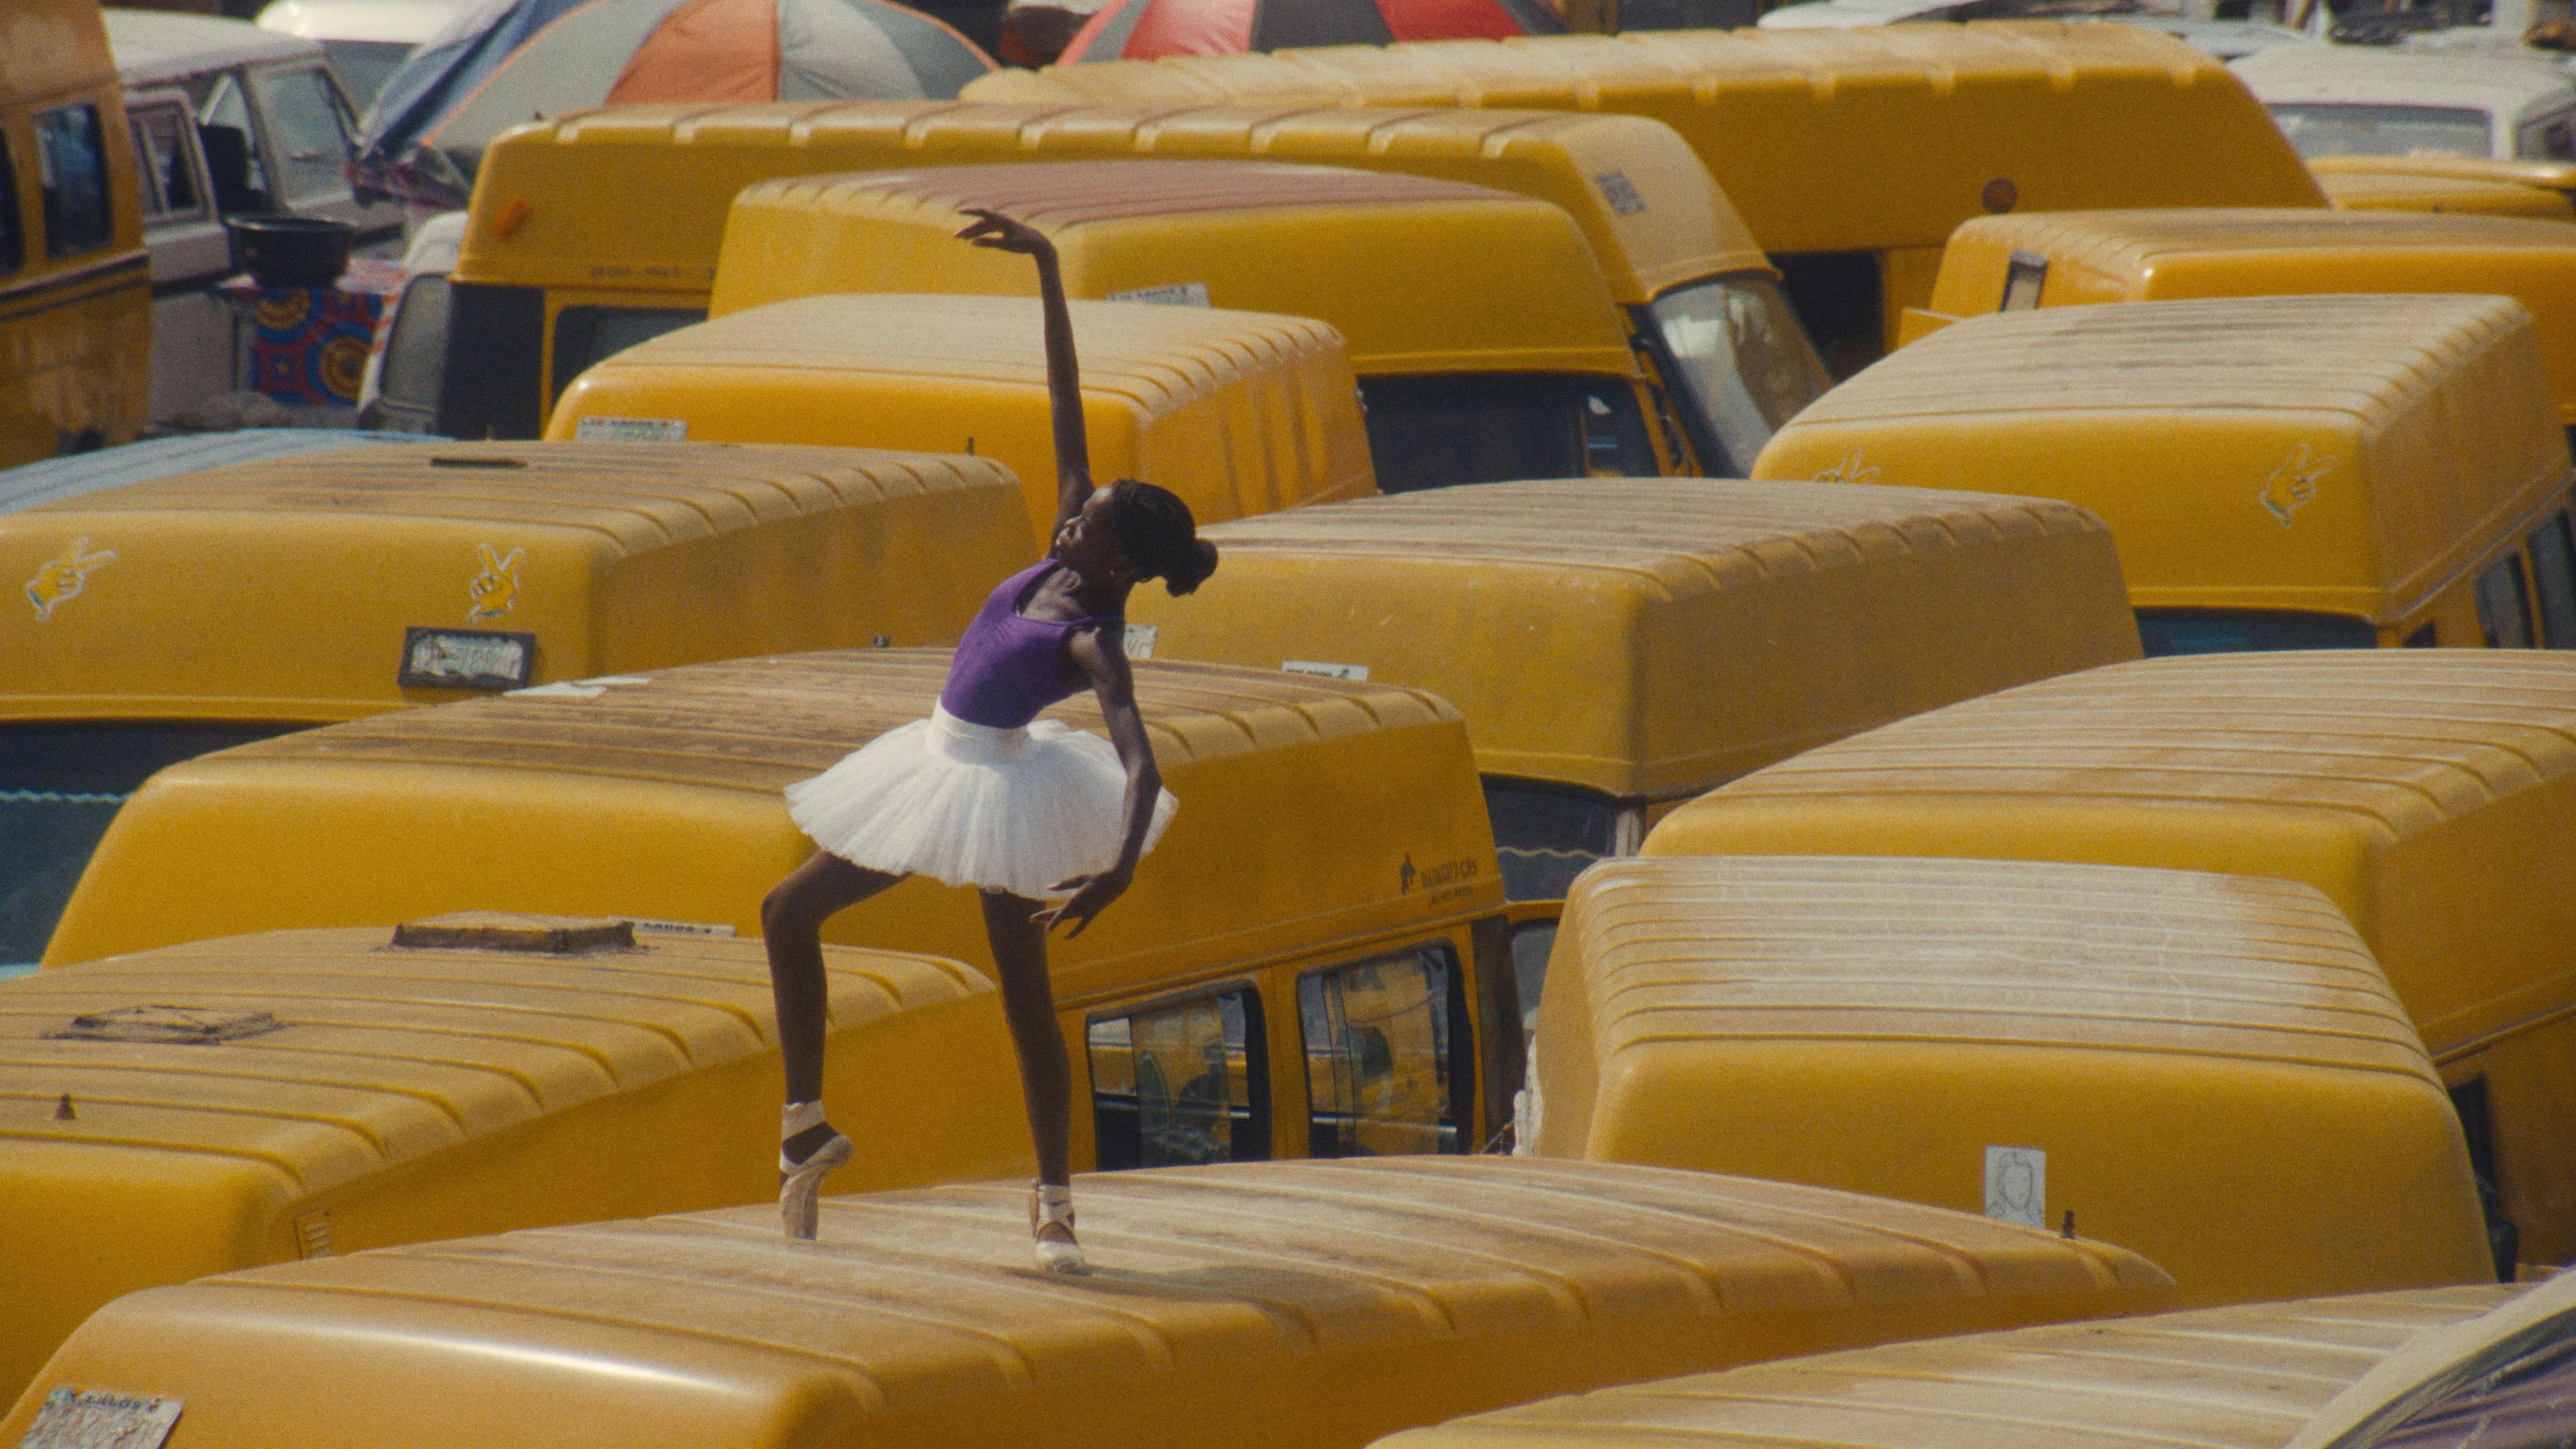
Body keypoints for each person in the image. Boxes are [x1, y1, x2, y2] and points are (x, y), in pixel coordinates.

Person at [761, 207, 1219, 1273]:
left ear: (1113, 565)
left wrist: (1113, 876)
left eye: (1086, 525)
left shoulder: (1093, 640)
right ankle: (805, 1129)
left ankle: (1055, 1203)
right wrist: (1052, 267)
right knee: (788, 912)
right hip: (930, 762)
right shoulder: (1067, 546)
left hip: (999, 790)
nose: (1067, 524)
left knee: (1025, 1002)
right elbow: (1064, 397)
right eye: (1077, 514)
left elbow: (1143, 765)